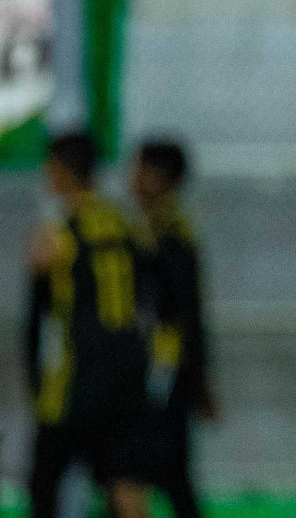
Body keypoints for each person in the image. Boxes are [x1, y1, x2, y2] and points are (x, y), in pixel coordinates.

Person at [25, 132, 151, 518]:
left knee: (45, 479)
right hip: (128, 368)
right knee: (123, 478)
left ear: (62, 173)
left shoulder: (57, 234)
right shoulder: (126, 223)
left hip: (79, 375)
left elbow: (39, 312)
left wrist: (34, 375)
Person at [129, 141, 214, 518]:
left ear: (160, 178)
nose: (131, 178)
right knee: (166, 470)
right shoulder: (149, 231)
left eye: (139, 169)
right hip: (157, 367)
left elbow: (186, 313)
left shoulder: (171, 237)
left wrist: (195, 378)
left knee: (144, 467)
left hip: (162, 369)